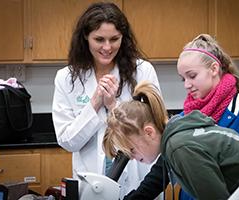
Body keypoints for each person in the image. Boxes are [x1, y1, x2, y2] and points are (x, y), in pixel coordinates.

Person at [123, 34, 239, 200]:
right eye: (183, 79)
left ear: (214, 69)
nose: (186, 85)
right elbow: (160, 171)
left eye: (192, 76)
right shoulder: (185, 118)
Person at [103, 81, 239, 200]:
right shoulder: (180, 133)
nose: (134, 158)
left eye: (132, 150)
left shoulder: (180, 147)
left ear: (149, 132)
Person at [52, 2, 161, 199]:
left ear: (123, 38)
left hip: (139, 180)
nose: (107, 47)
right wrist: (94, 104)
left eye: (114, 39)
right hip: (91, 183)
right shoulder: (66, 79)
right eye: (99, 39)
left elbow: (154, 133)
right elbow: (68, 141)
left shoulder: (143, 71)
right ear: (86, 37)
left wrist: (114, 107)